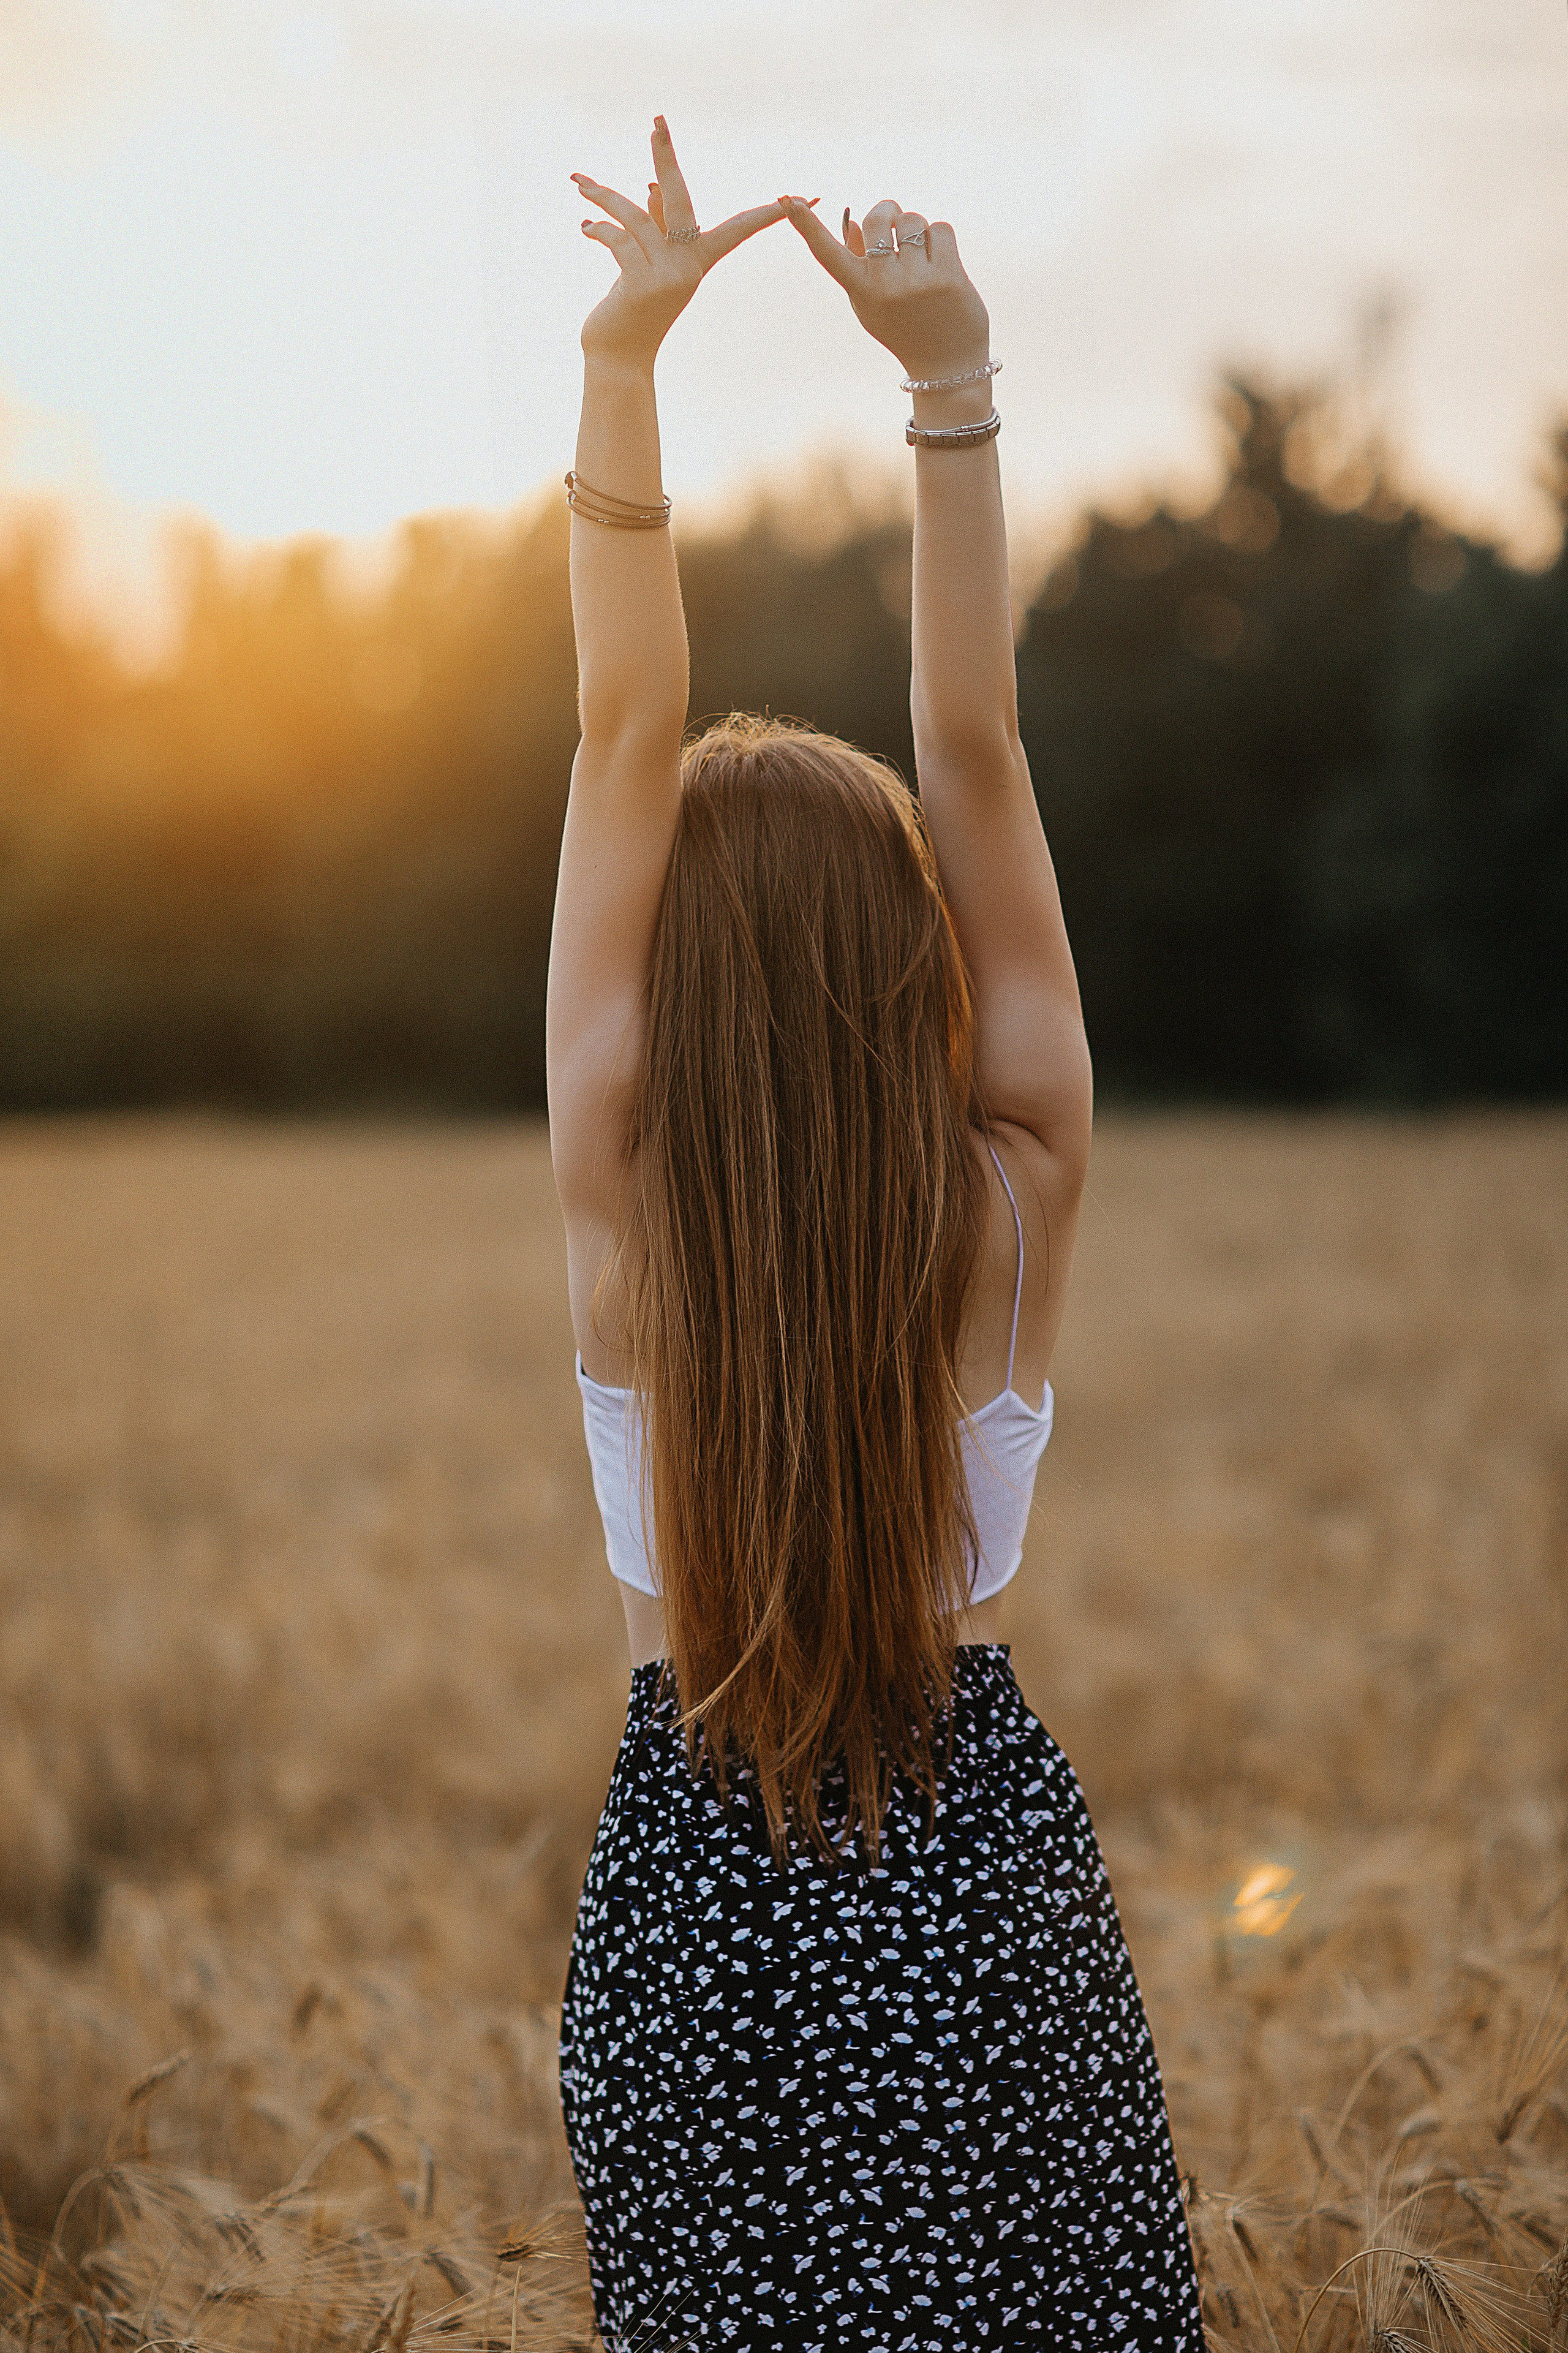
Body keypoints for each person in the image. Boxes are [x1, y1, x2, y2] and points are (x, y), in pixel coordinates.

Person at [547, 116, 1204, 2353]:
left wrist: (624, 361)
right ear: (909, 961)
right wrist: (954, 383)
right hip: (979, 1903)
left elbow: (623, 726)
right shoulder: (1016, 1190)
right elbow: (978, 750)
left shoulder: (628, 1204)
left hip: (689, 1915)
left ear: (678, 1001)